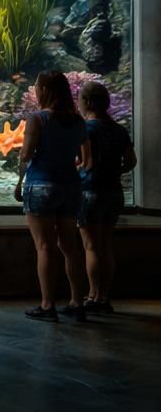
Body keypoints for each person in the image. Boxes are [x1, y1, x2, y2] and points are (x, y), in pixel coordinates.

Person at [16, 71, 92, 322]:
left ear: (45, 89)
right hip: (70, 187)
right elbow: (84, 159)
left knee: (45, 247)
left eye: (37, 86)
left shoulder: (37, 119)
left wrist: (19, 180)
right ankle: (77, 302)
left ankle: (47, 305)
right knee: (70, 247)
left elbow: (26, 155)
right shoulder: (78, 120)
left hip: (41, 185)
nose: (35, 89)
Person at [77, 81, 135, 313]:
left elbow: (82, 161)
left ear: (87, 102)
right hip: (114, 192)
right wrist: (114, 171)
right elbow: (131, 161)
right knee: (105, 245)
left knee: (91, 246)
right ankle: (104, 296)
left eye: (80, 100)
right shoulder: (119, 130)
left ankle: (93, 296)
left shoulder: (85, 129)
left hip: (89, 191)